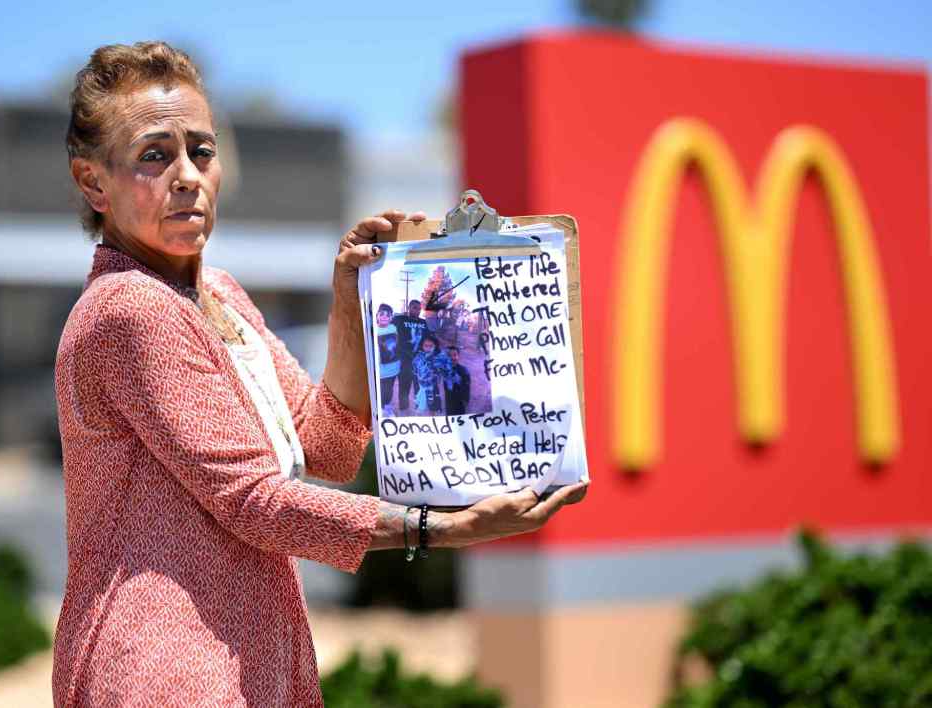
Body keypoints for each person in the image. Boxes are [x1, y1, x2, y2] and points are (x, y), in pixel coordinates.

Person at [54, 41, 586, 708]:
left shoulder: (219, 296)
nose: (187, 175)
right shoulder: (132, 310)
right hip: (164, 673)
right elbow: (254, 502)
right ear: (93, 182)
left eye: (202, 151)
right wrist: (441, 527)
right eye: (154, 155)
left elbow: (328, 448)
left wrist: (350, 297)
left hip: (244, 667)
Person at [391, 299, 430, 411]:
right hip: (404, 360)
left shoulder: (423, 323)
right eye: (414, 308)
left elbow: (428, 339)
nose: (417, 311)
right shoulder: (400, 319)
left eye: (419, 309)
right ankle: (404, 408)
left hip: (419, 361)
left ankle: (418, 407)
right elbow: (387, 328)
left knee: (419, 385)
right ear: (409, 308)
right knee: (404, 385)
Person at [411, 334, 453, 413]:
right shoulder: (419, 356)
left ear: (435, 346)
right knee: (420, 405)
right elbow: (414, 368)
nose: (428, 348)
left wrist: (444, 373)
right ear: (422, 346)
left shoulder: (440, 357)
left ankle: (433, 413)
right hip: (421, 385)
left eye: (431, 346)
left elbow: (448, 369)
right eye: (426, 346)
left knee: (433, 406)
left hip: (433, 386)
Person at [374, 303, 399, 417]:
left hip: (394, 367)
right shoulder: (374, 330)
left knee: (389, 389)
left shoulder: (394, 328)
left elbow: (397, 344)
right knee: (381, 389)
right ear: (377, 316)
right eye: (381, 314)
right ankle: (380, 408)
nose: (384, 316)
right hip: (381, 369)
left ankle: (387, 407)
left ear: (391, 317)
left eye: (387, 315)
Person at [443, 346, 471, 415]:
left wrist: (466, 400)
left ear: (458, 356)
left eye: (455, 355)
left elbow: (467, 387)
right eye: (449, 356)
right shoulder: (445, 370)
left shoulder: (464, 370)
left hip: (460, 401)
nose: (452, 358)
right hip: (449, 400)